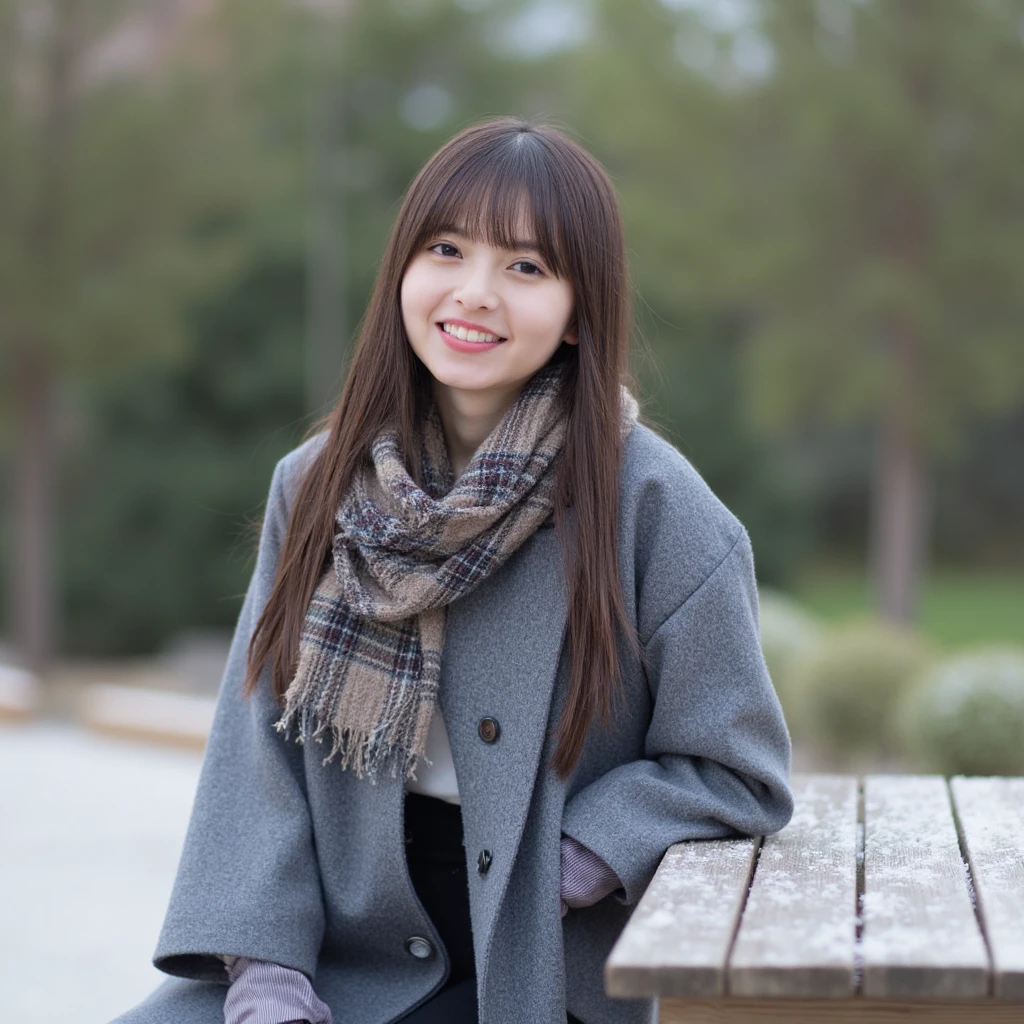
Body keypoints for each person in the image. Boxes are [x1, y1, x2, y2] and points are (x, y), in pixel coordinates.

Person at [111, 117, 794, 1024]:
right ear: (402, 268)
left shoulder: (657, 509)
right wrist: (266, 972)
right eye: (446, 249)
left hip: (542, 949)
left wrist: (580, 854)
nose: (474, 294)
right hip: (338, 941)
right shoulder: (315, 486)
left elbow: (737, 768)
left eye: (526, 268)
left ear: (582, 311)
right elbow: (257, 744)